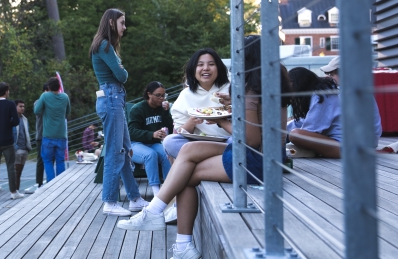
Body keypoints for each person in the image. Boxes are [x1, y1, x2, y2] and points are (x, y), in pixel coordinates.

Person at [117, 35, 292, 259]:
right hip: (269, 158)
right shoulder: (270, 82)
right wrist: (234, 106)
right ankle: (177, 240)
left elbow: (251, 139)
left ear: (247, 58)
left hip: (256, 161)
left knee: (187, 171)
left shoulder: (250, 89)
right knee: (187, 154)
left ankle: (158, 217)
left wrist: (221, 121)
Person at [90, 8, 148, 216]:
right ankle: (110, 201)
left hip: (115, 99)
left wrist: (121, 69)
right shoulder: (105, 46)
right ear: (112, 23)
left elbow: (120, 74)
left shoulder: (106, 46)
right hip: (112, 98)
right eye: (122, 22)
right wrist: (122, 69)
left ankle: (134, 198)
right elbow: (122, 76)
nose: (125, 27)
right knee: (115, 152)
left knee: (125, 148)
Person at [163, 48, 231, 160]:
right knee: (170, 141)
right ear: (193, 70)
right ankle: (209, 156)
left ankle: (200, 159)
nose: (205, 68)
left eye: (211, 64)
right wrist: (191, 122)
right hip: (201, 142)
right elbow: (181, 131)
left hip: (227, 140)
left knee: (237, 142)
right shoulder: (185, 95)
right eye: (200, 65)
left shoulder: (231, 89)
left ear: (218, 68)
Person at [320, 56, 383, 147]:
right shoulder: (352, 88)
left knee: (300, 135)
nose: (329, 77)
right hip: (365, 139)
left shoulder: (351, 92)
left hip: (359, 141)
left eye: (332, 74)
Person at [128, 81, 174, 195]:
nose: (161, 98)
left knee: (166, 153)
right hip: (135, 144)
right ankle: (157, 192)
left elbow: (169, 128)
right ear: (149, 94)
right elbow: (131, 132)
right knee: (150, 155)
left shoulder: (162, 108)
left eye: (164, 95)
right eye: (158, 95)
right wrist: (151, 134)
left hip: (153, 144)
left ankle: (169, 189)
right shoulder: (138, 109)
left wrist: (166, 112)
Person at [287, 67, 342, 158]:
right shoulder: (318, 94)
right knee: (289, 132)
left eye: (291, 87)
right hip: (335, 143)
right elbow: (303, 121)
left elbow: (311, 129)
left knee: (295, 135)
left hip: (341, 146)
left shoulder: (322, 95)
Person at [34, 77, 71, 182]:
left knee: (47, 160)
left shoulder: (45, 96)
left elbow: (36, 111)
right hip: (61, 135)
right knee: (60, 161)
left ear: (49, 87)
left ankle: (51, 183)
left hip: (48, 135)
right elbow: (67, 112)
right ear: (59, 87)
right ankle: (60, 183)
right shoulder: (65, 97)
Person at [26, 83, 49, 194]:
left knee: (51, 159)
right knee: (40, 160)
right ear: (45, 91)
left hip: (51, 135)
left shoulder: (52, 101)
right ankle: (39, 183)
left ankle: (51, 181)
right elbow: (38, 112)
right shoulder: (38, 102)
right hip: (41, 135)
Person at [13, 99, 32, 194]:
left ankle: (17, 190)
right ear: (15, 107)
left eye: (23, 106)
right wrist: (15, 147)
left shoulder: (25, 119)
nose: (22, 108)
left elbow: (26, 133)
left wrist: (28, 147)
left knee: (19, 172)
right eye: (20, 106)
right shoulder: (11, 119)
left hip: (24, 148)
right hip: (16, 149)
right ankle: (14, 190)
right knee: (15, 172)